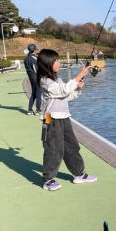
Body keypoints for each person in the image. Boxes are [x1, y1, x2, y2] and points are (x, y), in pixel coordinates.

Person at [37, 48, 97, 191]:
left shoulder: (56, 79)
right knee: (53, 148)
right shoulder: (44, 81)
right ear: (48, 63)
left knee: (72, 146)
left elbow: (66, 96)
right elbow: (62, 90)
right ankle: (48, 179)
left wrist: (77, 89)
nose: (59, 63)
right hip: (49, 117)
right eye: (56, 60)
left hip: (64, 116)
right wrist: (77, 77)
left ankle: (79, 174)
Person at [24, 44, 40, 115]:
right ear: (33, 50)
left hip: (30, 77)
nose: (36, 51)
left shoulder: (26, 59)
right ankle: (38, 110)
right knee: (38, 93)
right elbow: (36, 69)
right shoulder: (34, 59)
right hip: (36, 77)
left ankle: (29, 110)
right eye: (36, 50)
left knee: (33, 93)